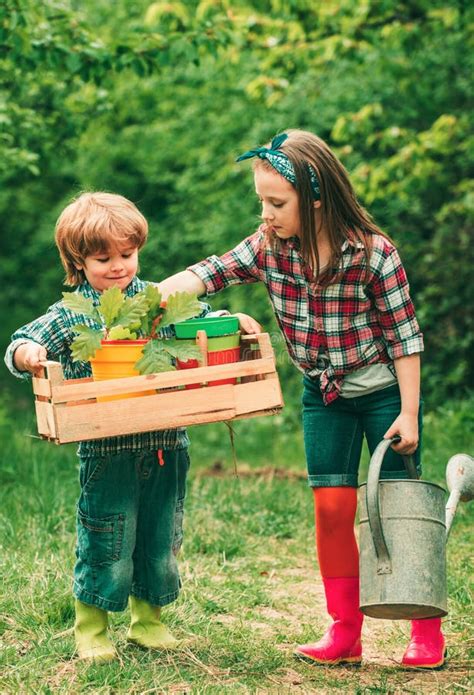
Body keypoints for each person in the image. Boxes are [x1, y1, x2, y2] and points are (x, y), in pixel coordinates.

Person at [157, 129, 445, 669]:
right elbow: (212, 272)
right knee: (332, 508)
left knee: (401, 508)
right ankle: (345, 631)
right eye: (261, 202)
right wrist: (149, 298)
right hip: (324, 394)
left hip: (384, 392)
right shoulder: (270, 246)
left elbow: (405, 337)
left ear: (316, 199)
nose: (265, 214)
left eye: (277, 203)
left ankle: (425, 630)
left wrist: (409, 412)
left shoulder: (373, 254)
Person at [4, 191, 252, 663]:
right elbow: (24, 339)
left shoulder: (155, 301)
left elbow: (198, 320)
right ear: (78, 260)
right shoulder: (75, 311)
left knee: (161, 537)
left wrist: (229, 320)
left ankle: (148, 621)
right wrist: (27, 354)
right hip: (106, 446)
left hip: (166, 441)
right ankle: (91, 627)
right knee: (107, 536)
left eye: (127, 254)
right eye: (103, 258)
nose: (118, 266)